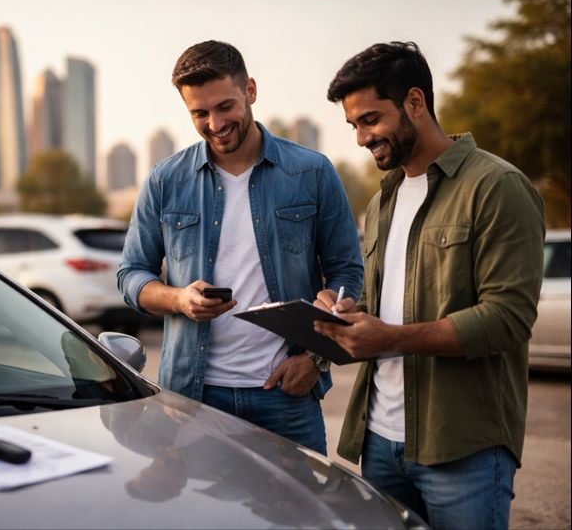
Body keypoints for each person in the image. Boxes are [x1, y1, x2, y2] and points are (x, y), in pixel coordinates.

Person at [316, 41, 544, 529]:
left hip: (464, 448)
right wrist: (346, 314)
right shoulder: (382, 203)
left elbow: (508, 319)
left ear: (415, 103)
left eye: (371, 120)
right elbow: (383, 305)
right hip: (378, 443)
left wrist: (391, 338)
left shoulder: (496, 186)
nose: (360, 138)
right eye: (354, 125)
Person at [117, 40, 363, 453]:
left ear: (250, 90)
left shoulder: (312, 172)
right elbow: (130, 275)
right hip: (193, 399)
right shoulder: (165, 180)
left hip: (288, 393)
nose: (214, 123)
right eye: (199, 113)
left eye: (224, 106)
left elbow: (347, 271)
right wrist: (179, 299)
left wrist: (315, 360)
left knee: (299, 517)